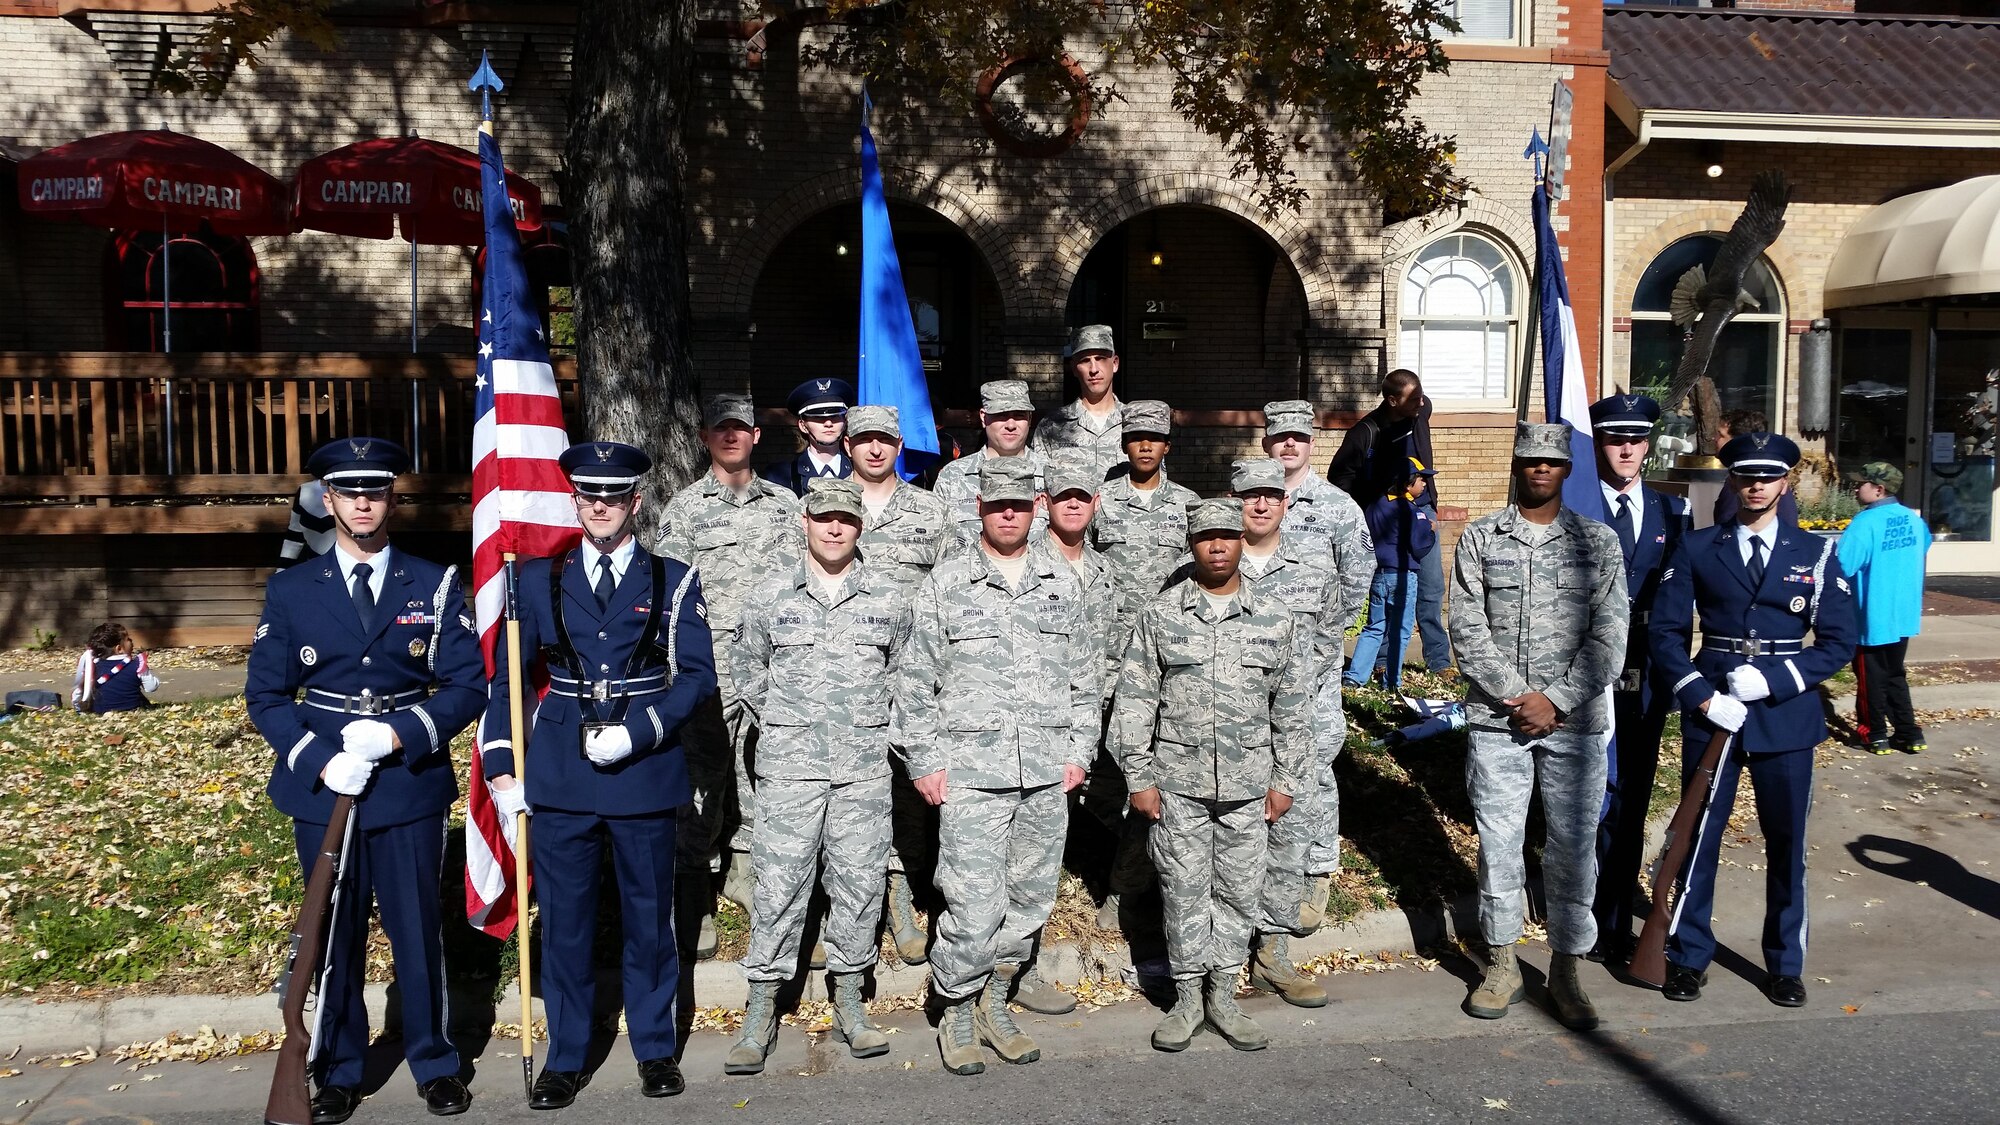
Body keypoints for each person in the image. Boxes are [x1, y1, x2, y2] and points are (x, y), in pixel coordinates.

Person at [244, 436, 484, 1123]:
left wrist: (399, 732)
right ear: (328, 500)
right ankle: (340, 1067)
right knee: (335, 933)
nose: (362, 503)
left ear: (391, 499)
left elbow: (468, 684)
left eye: (374, 491)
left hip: (406, 782)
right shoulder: (292, 589)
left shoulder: (432, 582)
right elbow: (264, 696)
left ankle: (435, 1061)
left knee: (417, 931)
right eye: (348, 492)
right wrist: (318, 757)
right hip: (325, 785)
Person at [483, 441, 716, 1108]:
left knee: (649, 919)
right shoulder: (532, 579)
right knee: (566, 921)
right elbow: (509, 683)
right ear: (576, 502)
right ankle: (566, 1053)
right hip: (560, 772)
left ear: (634, 504)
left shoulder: (673, 579)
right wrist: (502, 767)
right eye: (590, 497)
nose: (602, 507)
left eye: (614, 497)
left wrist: (640, 730)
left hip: (643, 768)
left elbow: (697, 677)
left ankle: (654, 1046)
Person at [894, 458, 1099, 1076]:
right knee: (973, 900)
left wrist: (1079, 751)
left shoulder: (1063, 584)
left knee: (1031, 898)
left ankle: (995, 998)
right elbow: (913, 680)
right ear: (979, 508)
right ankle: (956, 1005)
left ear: (1035, 508)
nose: (1008, 513)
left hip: (1044, 770)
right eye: (996, 505)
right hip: (972, 773)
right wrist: (925, 762)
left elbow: (1086, 677)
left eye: (1018, 504)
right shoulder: (945, 583)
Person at [1651, 431, 1857, 1008]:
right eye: (1746, 475)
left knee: (1786, 841)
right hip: (1715, 709)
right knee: (1698, 837)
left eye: (1769, 476)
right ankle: (1688, 955)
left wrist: (1776, 677)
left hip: (1785, 713)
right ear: (1733, 481)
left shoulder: (1815, 553)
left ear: (1785, 482)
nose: (1757, 484)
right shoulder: (1696, 548)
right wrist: (1699, 695)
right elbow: (1666, 634)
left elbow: (1840, 641)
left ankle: (1785, 963)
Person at [1111, 497, 1313, 1053]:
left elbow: (1293, 707)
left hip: (1250, 790)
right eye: (1206, 538)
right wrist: (1139, 777)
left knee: (1239, 891)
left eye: (1227, 536)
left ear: (1242, 541)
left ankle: (1224, 993)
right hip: (1179, 786)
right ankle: (1187, 997)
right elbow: (1134, 703)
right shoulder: (1162, 615)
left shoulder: (1275, 618)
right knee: (1181, 892)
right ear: (1191, 544)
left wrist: (1287, 780)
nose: (1217, 546)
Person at [1450, 422, 1627, 1032]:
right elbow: (1465, 627)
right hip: (1499, 722)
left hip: (1574, 723)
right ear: (1516, 466)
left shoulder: (1597, 543)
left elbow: (1610, 637)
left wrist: (1555, 699)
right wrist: (1516, 696)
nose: (1539, 471)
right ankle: (1501, 963)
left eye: (1550, 463)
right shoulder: (1480, 538)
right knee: (1499, 844)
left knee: (1573, 847)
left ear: (1566, 470)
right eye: (1529, 462)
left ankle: (1567, 966)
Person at [728, 478, 909, 1074]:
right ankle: (761, 1009)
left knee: (858, 886)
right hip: (788, 771)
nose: (835, 528)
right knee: (779, 887)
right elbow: (745, 665)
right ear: (805, 520)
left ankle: (851, 1003)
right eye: (824, 518)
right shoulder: (771, 594)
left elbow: (907, 674)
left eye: (847, 520)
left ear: (860, 528)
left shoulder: (888, 596)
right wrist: (779, 716)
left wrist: (880, 728)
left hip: (862, 771)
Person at [657, 394, 805, 958]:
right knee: (703, 778)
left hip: (773, 669)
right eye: (721, 429)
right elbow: (671, 599)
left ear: (756, 436)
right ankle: (694, 885)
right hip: (708, 670)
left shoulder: (787, 506)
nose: (732, 437)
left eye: (741, 428)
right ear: (704, 437)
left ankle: (749, 873)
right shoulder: (685, 510)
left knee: (767, 776)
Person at [1213, 458, 1344, 1006]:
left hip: (1294, 728)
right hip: (1225, 733)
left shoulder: (1314, 571)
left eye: (1271, 495)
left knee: (1288, 838)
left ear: (1285, 502)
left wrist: (1286, 702)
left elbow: (1327, 644)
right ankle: (1218, 952)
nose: (1261, 504)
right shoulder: (1209, 563)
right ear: (1236, 501)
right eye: (1249, 496)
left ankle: (1272, 950)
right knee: (1224, 840)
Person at [846, 404, 958, 965]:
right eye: (863, 440)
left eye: (884, 440)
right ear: (847, 447)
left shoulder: (932, 511)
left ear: (898, 446)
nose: (874, 450)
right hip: (848, 678)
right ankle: (882, 905)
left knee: (917, 793)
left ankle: (921, 894)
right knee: (860, 799)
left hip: (920, 679)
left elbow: (957, 590)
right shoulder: (824, 508)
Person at [1006, 454, 1117, 1017]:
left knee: (1042, 860)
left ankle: (1021, 962)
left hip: (1084, 719)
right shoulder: (1023, 563)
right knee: (1010, 862)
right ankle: (1002, 972)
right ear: (1044, 504)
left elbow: (1113, 648)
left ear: (1096, 504)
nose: (1074, 504)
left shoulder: (1103, 571)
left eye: (1084, 496)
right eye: (1062, 496)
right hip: (1023, 732)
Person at [1083, 399, 1198, 925]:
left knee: (1153, 776)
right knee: (1105, 777)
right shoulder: (1099, 504)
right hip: (1107, 660)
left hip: (1169, 666)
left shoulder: (1191, 508)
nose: (1145, 445)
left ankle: (1129, 886)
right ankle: (1114, 863)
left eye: (1155, 438)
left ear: (1167, 445)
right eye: (1136, 438)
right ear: (1124, 445)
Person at [1586, 393, 1691, 966]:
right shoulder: (1575, 508)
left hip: (1644, 667)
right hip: (1584, 668)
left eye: (1636, 439)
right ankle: (1577, 904)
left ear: (1649, 445)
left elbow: (1680, 601)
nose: (1626, 449)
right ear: (1598, 443)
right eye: (1613, 439)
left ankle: (1615, 907)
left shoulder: (1673, 513)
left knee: (1632, 793)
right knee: (1586, 792)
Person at [1262, 399, 1371, 924]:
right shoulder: (1251, 501)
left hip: (1315, 668)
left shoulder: (1337, 508)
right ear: (1266, 442)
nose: (1289, 445)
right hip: (1257, 666)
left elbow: (1357, 577)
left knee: (1314, 767)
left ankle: (1316, 871)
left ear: (1311, 443)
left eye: (1298, 438)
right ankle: (1268, 868)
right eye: (1280, 436)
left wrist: (1326, 643)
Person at [1327, 370, 1466, 676]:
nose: (1422, 403)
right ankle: (1381, 662)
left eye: (1421, 396)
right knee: (1390, 590)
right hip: (1386, 520)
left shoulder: (1419, 413)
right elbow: (1339, 477)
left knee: (1429, 587)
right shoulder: (1366, 432)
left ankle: (1439, 661)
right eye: (1413, 399)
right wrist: (1372, 504)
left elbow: (1420, 399)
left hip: (1421, 511)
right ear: (1391, 400)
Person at [1839, 461, 1931, 754]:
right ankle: (1909, 733)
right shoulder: (1914, 520)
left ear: (1878, 490)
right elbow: (1923, 547)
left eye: (1861, 483)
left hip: (1872, 615)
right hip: (1903, 614)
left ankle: (1873, 732)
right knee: (1894, 674)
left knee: (1870, 678)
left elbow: (1843, 567)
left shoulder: (1865, 523)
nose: (1855, 487)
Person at [1346, 456, 1437, 695]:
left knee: (1374, 627)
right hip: (1403, 577)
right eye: (1421, 479)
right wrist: (1430, 531)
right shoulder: (1412, 511)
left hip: (1378, 575)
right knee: (1400, 630)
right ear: (1407, 484)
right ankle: (1392, 682)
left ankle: (1355, 677)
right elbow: (1419, 546)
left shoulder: (1375, 505)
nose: (1425, 484)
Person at [932, 379, 1047, 546]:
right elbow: (936, 540)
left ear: (1029, 419)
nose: (1011, 425)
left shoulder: (1052, 474)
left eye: (1019, 415)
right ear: (983, 417)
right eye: (1001, 415)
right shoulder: (953, 476)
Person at [1032, 324, 1127, 482]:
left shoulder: (1134, 422)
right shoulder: (1052, 426)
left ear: (1115, 363)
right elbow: (1040, 487)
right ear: (1075, 368)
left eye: (1100, 359)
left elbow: (1155, 485)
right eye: (1085, 361)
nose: (1094, 369)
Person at [760, 378, 854, 496]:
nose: (828, 423)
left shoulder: (858, 471)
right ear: (803, 425)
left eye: (835, 416)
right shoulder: (781, 477)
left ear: (844, 422)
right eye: (819, 418)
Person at [1712, 410, 1799, 526]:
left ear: (1736, 441)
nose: (1715, 439)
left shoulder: (1740, 482)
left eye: (1721, 435)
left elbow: (1726, 523)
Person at [71, 622, 159, 713]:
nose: (132, 641)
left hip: (101, 711)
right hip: (133, 709)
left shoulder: (93, 667)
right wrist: (146, 671)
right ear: (119, 649)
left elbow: (80, 691)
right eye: (128, 639)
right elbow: (151, 687)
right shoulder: (137, 665)